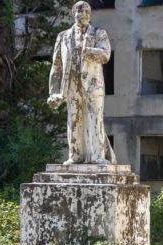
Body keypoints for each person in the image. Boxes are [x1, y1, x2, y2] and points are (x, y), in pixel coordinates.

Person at [47, 1, 116, 165]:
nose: (84, 15)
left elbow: (105, 55)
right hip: (71, 84)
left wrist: (87, 51)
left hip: (93, 84)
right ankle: (75, 155)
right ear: (73, 13)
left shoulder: (99, 33)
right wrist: (54, 92)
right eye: (80, 12)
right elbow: (56, 66)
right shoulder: (63, 37)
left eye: (87, 12)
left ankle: (97, 156)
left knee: (95, 118)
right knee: (74, 119)